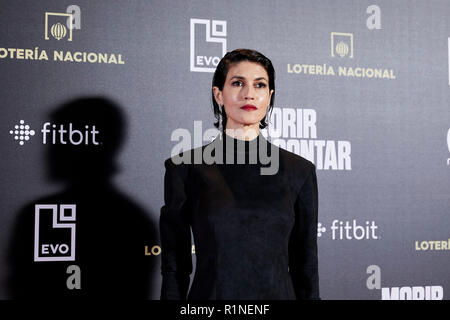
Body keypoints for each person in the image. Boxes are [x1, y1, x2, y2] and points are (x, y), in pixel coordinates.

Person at [159, 49, 320, 300]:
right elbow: (175, 268)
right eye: (237, 83)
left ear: (269, 96)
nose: (249, 94)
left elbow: (305, 267)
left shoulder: (300, 171)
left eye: (260, 85)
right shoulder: (185, 168)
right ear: (218, 94)